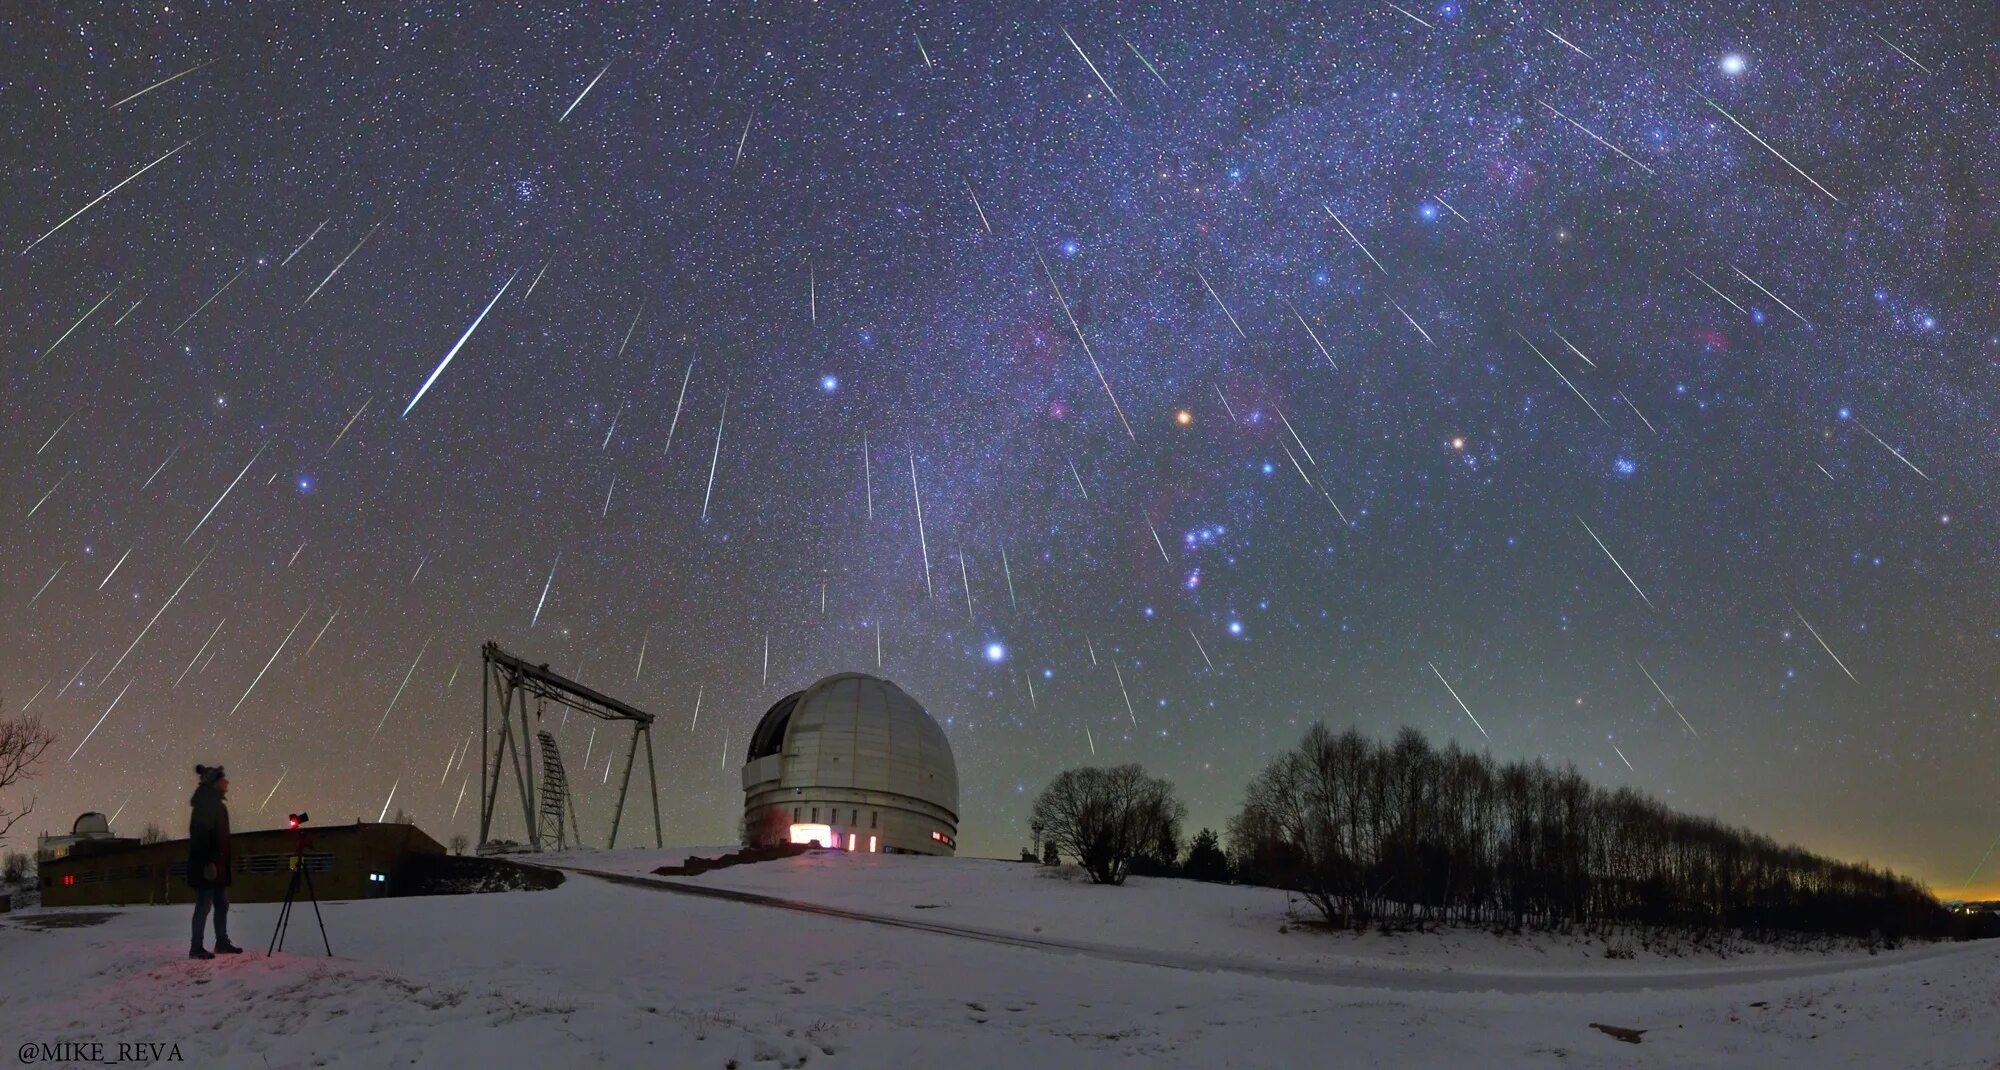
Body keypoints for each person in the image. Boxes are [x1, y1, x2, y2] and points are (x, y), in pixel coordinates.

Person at [187, 764, 242, 959]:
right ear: (214, 783)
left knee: (221, 904)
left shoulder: (215, 805)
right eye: (222, 779)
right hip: (208, 867)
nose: (227, 782)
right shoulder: (206, 804)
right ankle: (196, 947)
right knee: (204, 904)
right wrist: (208, 862)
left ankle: (222, 942)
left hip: (217, 866)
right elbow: (200, 836)